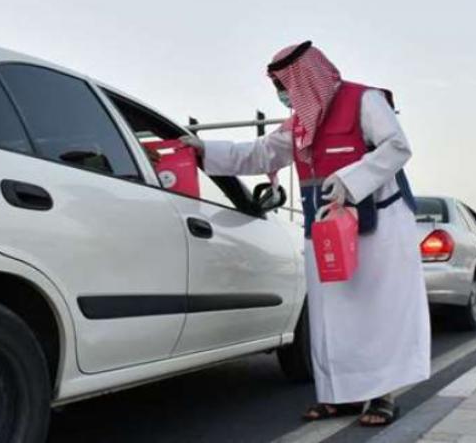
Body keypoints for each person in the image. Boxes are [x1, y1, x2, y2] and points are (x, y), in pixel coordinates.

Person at [180, 41, 430, 426]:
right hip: (327, 230)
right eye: (278, 86)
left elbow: (397, 147)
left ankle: (383, 396)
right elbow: (259, 154)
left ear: (305, 78)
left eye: (285, 85)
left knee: (377, 311)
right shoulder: (300, 124)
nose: (283, 94)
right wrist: (203, 150)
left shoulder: (364, 100)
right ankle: (340, 396)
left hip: (379, 224)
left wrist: (351, 180)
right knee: (331, 316)